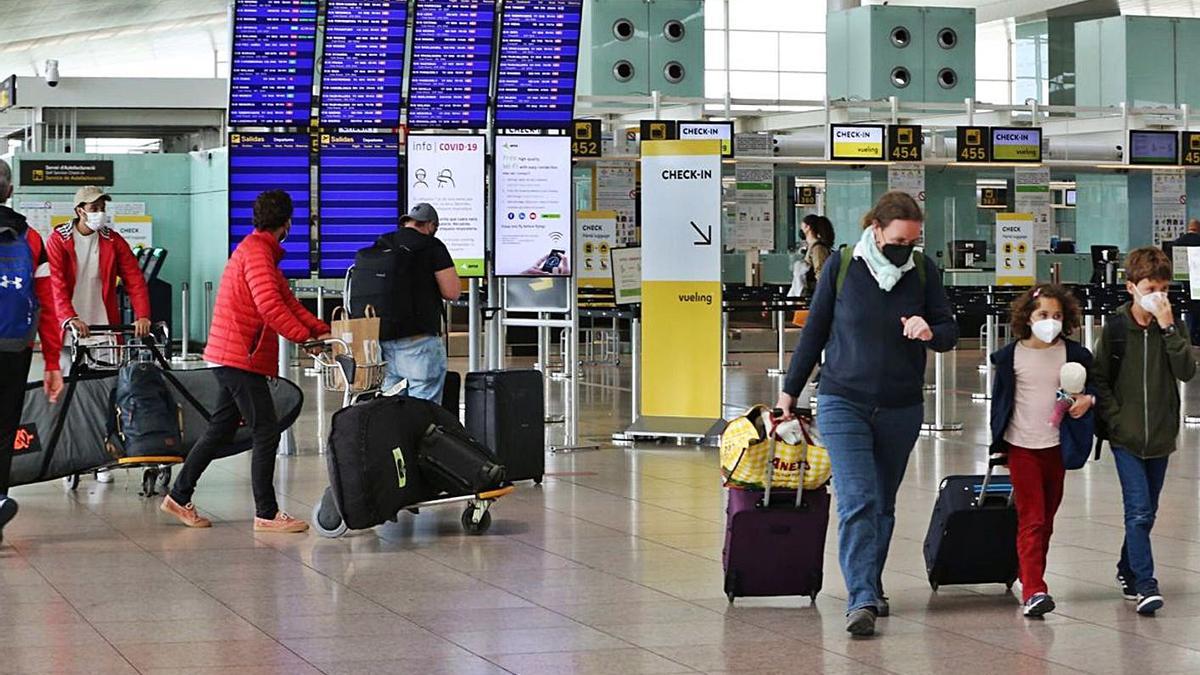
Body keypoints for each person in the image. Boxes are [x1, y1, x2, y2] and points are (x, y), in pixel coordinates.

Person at [774, 190, 958, 637]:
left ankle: (870, 582)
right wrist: (788, 393)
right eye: (898, 240)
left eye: (912, 242)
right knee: (858, 498)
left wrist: (930, 329)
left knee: (883, 503)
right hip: (843, 399)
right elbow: (815, 331)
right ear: (875, 229)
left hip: (900, 405)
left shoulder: (924, 272)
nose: (905, 250)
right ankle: (861, 598)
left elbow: (950, 330)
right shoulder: (842, 267)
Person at [161, 189, 330, 533]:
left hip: (232, 355)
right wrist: (302, 339)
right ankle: (267, 513)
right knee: (266, 430)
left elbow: (287, 301)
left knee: (220, 429)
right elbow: (270, 307)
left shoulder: (259, 252)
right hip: (241, 357)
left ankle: (178, 496)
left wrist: (320, 331)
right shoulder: (257, 254)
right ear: (287, 224)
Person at [1092, 247, 1196, 616]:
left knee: (1148, 511)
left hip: (1161, 436)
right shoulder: (1117, 329)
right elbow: (1099, 378)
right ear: (1131, 286)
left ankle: (1126, 568)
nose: (1159, 296)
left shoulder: (1174, 326)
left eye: (1165, 289)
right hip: (1127, 437)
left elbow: (1186, 371)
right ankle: (1145, 584)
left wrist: (1169, 327)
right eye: (1152, 287)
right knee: (1137, 511)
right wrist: (1115, 419)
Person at [989, 284, 1094, 618]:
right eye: (1043, 315)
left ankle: (1028, 573)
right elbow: (1000, 403)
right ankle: (1035, 589)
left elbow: (1093, 390)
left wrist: (1087, 400)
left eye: (1057, 316)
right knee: (1032, 517)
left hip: (1057, 448)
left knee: (1046, 519)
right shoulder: (1011, 356)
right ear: (1028, 317)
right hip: (1022, 447)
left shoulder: (1075, 356)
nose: (1051, 321)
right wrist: (997, 444)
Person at [45, 185, 151, 485]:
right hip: (69, 331)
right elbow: (55, 284)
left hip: (105, 326)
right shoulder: (58, 240)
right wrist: (69, 317)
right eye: (94, 208)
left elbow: (134, 278)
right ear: (79, 210)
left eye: (102, 206)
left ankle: (102, 455)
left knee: (106, 392)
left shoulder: (112, 240)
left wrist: (142, 315)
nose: (100, 213)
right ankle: (71, 457)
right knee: (71, 395)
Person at [0, 160, 64, 543]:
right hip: (13, 347)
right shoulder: (31, 237)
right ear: (9, 191)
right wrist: (53, 361)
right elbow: (49, 303)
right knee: (5, 429)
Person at [378, 202, 460, 401]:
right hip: (419, 340)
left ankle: (396, 433)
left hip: (383, 338)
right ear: (430, 225)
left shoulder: (383, 242)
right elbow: (452, 292)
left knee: (392, 408)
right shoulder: (432, 246)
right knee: (424, 409)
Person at [1171, 221, 1200, 344]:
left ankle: (1187, 335)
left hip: (1182, 281)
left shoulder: (1177, 242)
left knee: (1187, 308)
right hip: (1198, 281)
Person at [801, 214, 835, 297]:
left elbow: (820, 273)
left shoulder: (818, 248)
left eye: (802, 225)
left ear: (807, 227)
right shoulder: (812, 247)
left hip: (814, 294)